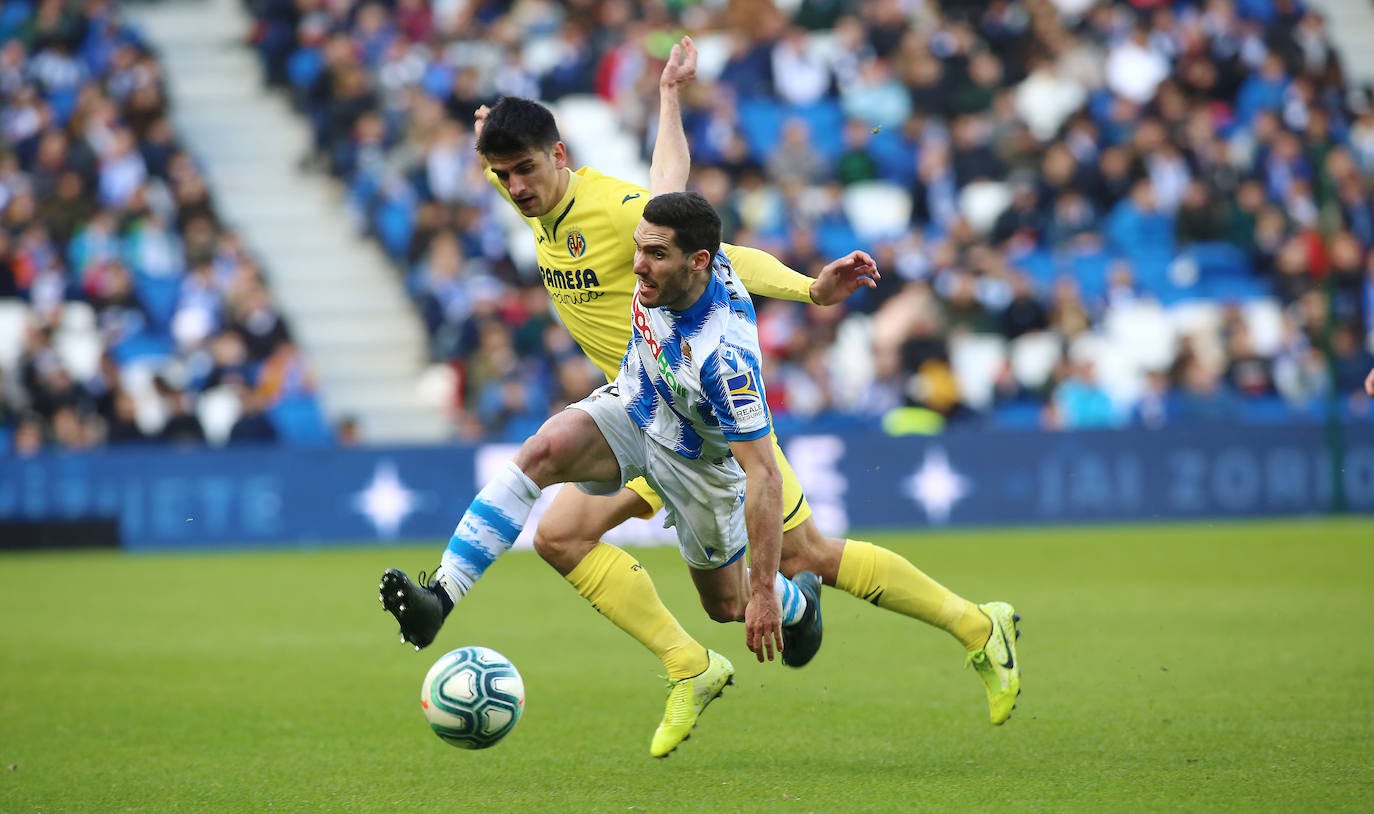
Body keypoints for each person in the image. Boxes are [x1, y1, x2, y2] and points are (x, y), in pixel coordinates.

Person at [381, 38, 1020, 756]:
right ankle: (488, 608)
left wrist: (809, 289)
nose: (516, 187)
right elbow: (668, 177)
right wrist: (662, 99)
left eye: (525, 170)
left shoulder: (626, 226)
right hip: (639, 403)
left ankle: (969, 623)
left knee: (795, 562)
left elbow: (719, 253)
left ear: (559, 157)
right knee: (557, 516)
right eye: (503, 174)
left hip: (706, 436)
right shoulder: (531, 193)